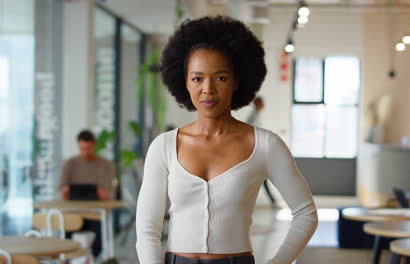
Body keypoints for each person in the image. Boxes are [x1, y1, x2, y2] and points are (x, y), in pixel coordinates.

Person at [136, 16, 318, 264]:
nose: (208, 89)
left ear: (237, 81)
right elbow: (147, 229)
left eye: (220, 77)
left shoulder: (265, 145)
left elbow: (306, 213)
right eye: (197, 78)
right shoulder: (164, 146)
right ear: (185, 81)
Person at [59, 129, 115, 257]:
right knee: (64, 238)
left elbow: (107, 194)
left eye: (88, 149)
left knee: (100, 239)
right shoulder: (70, 164)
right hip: (73, 214)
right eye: (82, 149)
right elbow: (61, 190)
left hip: (95, 215)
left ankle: (90, 260)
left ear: (94, 146)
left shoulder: (106, 165)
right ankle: (65, 260)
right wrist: (66, 191)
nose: (85, 152)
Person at [246, 97, 279, 208]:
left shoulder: (256, 115)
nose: (263, 106)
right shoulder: (253, 117)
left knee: (261, 178)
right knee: (259, 178)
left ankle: (272, 201)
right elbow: (250, 135)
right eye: (262, 103)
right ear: (257, 104)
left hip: (258, 153)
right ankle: (272, 201)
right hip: (255, 153)